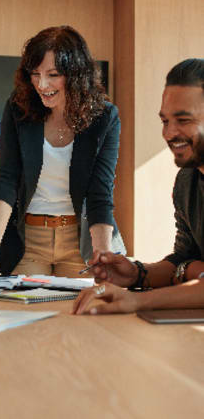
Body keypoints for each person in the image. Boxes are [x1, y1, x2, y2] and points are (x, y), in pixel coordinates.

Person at [0, 26, 124, 279]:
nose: (41, 84)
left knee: (87, 312)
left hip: (80, 240)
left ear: (76, 74)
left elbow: (100, 193)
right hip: (28, 241)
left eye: (53, 74)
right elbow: (6, 179)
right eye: (35, 74)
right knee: (19, 309)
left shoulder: (104, 116)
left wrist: (102, 254)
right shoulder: (19, 108)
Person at [73, 59, 204, 315]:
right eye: (165, 121)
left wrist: (138, 301)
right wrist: (135, 274)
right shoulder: (186, 180)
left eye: (183, 120)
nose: (169, 133)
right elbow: (181, 259)